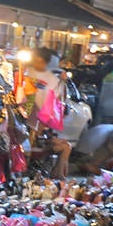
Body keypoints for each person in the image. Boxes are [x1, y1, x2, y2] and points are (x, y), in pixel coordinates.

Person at [24, 47, 73, 179]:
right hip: (23, 116)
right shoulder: (26, 72)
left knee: (65, 146)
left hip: (39, 121)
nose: (37, 64)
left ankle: (57, 175)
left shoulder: (53, 80)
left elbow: (56, 103)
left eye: (40, 61)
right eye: (35, 60)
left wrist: (63, 82)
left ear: (46, 62)